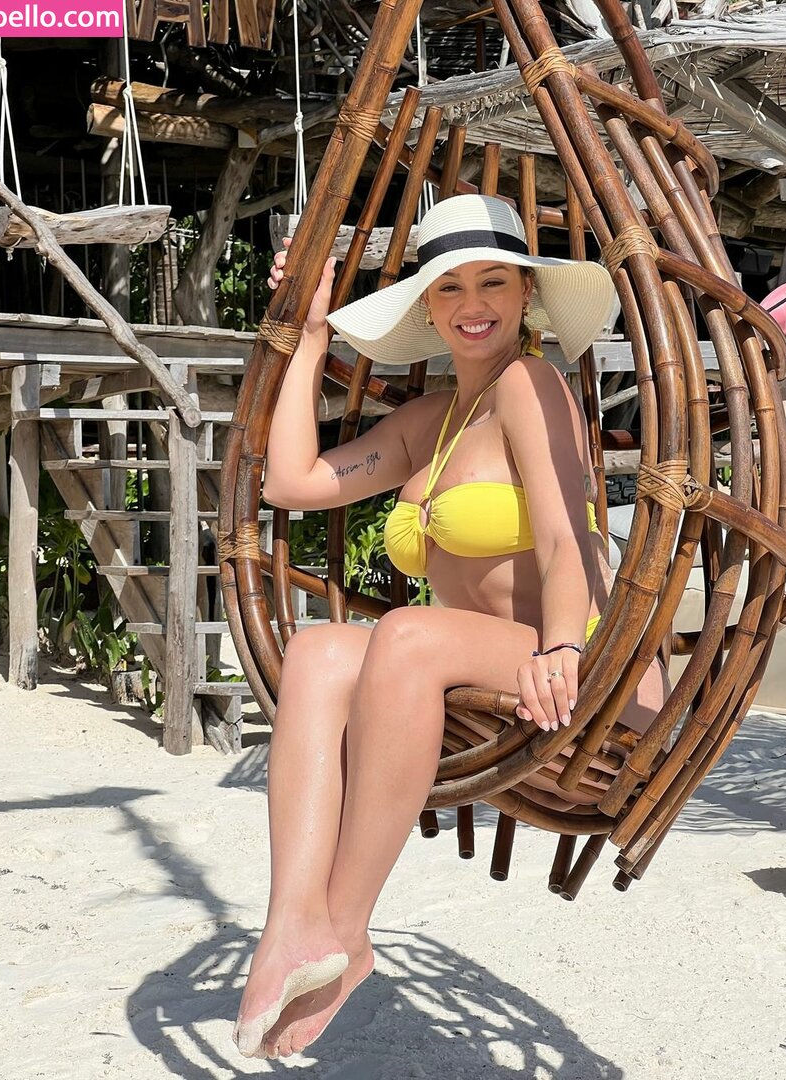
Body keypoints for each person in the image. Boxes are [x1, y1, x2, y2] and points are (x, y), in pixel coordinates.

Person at [232, 195, 667, 1060]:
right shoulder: (431, 423)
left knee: (406, 631)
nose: (473, 304)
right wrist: (310, 338)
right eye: (450, 286)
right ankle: (292, 923)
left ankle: (346, 928)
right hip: (475, 666)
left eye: (494, 281)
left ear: (527, 293)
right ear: (427, 306)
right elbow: (291, 482)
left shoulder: (529, 385)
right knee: (318, 651)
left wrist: (564, 645)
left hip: (588, 672)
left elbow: (565, 534)